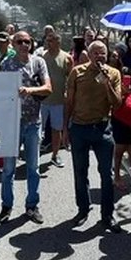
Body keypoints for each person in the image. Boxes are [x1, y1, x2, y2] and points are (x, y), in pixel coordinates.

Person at [64, 41, 124, 233]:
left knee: (107, 174)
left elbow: (117, 103)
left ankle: (107, 215)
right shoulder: (77, 72)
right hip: (79, 128)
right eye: (96, 53)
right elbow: (69, 101)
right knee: (80, 171)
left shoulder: (113, 73)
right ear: (89, 55)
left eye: (103, 53)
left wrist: (107, 83)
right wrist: (65, 128)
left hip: (102, 129)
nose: (100, 56)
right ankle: (83, 209)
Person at [0, 31, 52, 224]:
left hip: (33, 123)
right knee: (8, 169)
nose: (23, 45)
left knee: (33, 168)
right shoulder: (6, 64)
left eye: (27, 41)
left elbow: (48, 88)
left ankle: (32, 205)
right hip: (12, 123)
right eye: (19, 41)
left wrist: (29, 90)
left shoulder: (38, 62)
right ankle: (6, 206)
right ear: (13, 44)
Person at [40, 32, 73, 167]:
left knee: (56, 129)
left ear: (58, 42)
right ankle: (34, 155)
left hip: (58, 101)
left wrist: (67, 93)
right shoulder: (42, 56)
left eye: (51, 41)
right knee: (37, 129)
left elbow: (70, 79)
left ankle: (55, 155)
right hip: (42, 100)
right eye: (47, 41)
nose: (48, 43)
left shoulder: (67, 58)